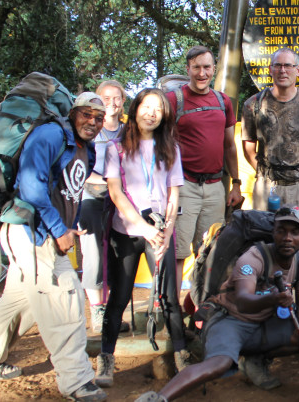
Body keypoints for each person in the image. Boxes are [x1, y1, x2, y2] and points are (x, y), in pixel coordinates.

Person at [0, 92, 107, 402]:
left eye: (99, 118)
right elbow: (31, 186)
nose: (93, 122)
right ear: (72, 113)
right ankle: (77, 382)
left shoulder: (86, 149)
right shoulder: (51, 135)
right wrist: (58, 230)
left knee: (20, 302)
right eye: (86, 114)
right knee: (64, 297)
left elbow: (70, 192)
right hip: (32, 232)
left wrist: (70, 225)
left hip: (43, 234)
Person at [133, 205, 299, 402]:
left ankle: (255, 359)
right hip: (230, 319)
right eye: (281, 231)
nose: (288, 237)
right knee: (219, 363)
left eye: (295, 232)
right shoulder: (254, 257)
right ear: (273, 231)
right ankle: (158, 398)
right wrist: (272, 299)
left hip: (263, 322)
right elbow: (244, 301)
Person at [94, 88, 189, 387]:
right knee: (119, 297)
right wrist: (144, 228)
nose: (151, 112)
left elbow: (174, 193)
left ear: (164, 115)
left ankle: (182, 355)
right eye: (146, 106)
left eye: (157, 108)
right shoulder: (117, 148)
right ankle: (106, 358)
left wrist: (166, 232)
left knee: (170, 297)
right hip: (127, 232)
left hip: (161, 231)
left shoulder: (171, 147)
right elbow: (115, 192)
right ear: (134, 110)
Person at [241, 47, 299, 343]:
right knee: (265, 248)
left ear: (298, 70)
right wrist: (264, 173)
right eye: (277, 65)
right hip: (267, 185)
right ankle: (266, 317)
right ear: (270, 70)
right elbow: (248, 145)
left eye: (288, 65)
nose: (283, 70)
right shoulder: (254, 104)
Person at [166, 46, 243, 300]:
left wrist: (236, 183)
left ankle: (205, 309)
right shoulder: (173, 100)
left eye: (207, 67)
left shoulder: (223, 102)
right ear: (187, 68)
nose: (202, 73)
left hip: (214, 187)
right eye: (196, 67)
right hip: (183, 186)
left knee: (211, 251)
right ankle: (172, 313)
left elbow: (229, 145)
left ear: (213, 69)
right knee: (177, 253)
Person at [78, 80, 127, 333]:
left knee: (119, 252)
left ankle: (113, 311)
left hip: (121, 200)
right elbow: (77, 167)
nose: (112, 103)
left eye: (117, 98)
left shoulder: (129, 131)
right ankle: (97, 311)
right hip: (91, 197)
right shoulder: (88, 129)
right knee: (93, 252)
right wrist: (107, 181)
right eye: (106, 99)